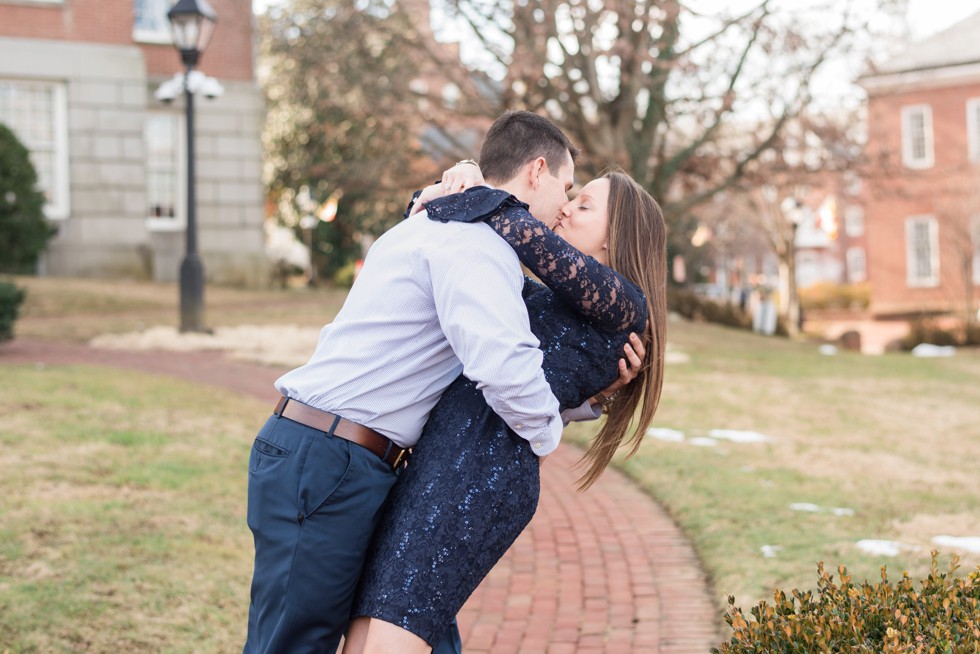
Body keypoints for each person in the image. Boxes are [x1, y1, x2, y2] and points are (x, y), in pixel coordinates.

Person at [242, 111, 639, 654]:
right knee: (294, 643)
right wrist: (547, 437)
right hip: (330, 458)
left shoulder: (443, 222)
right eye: (567, 188)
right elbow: (503, 367)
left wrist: (586, 393)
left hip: (347, 459)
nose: (565, 206)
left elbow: (486, 367)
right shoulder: (473, 244)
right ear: (536, 172)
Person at [345, 164, 668, 653]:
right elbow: (462, 240)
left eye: (583, 205)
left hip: (481, 477)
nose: (565, 208)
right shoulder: (546, 299)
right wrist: (442, 191)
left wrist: (478, 187)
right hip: (437, 464)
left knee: (392, 640)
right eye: (571, 197)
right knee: (366, 637)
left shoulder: (626, 305)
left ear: (615, 238)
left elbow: (518, 230)